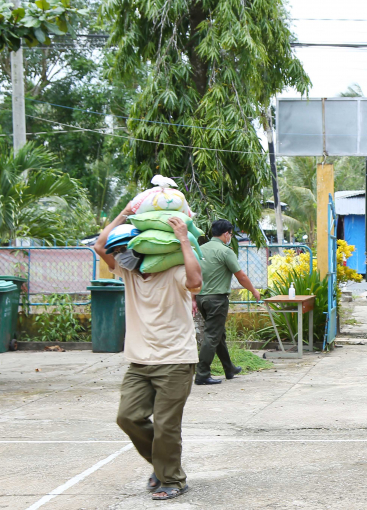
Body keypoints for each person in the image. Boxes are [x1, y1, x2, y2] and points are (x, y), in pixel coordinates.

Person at [94, 204, 202, 501]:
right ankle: (162, 464)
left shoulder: (175, 270)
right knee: (127, 417)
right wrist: (125, 215)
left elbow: (196, 282)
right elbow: (99, 246)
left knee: (167, 425)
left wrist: (182, 237)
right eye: (120, 253)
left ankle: (173, 479)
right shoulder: (127, 274)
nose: (120, 256)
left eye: (125, 251)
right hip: (138, 361)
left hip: (176, 360)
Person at [195, 219, 262, 385]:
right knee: (212, 336)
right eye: (230, 234)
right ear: (226, 234)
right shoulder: (225, 251)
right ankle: (202, 374)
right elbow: (241, 276)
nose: (230, 237)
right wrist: (254, 291)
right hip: (217, 299)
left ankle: (229, 368)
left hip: (201, 297)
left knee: (218, 335)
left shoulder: (200, 249)